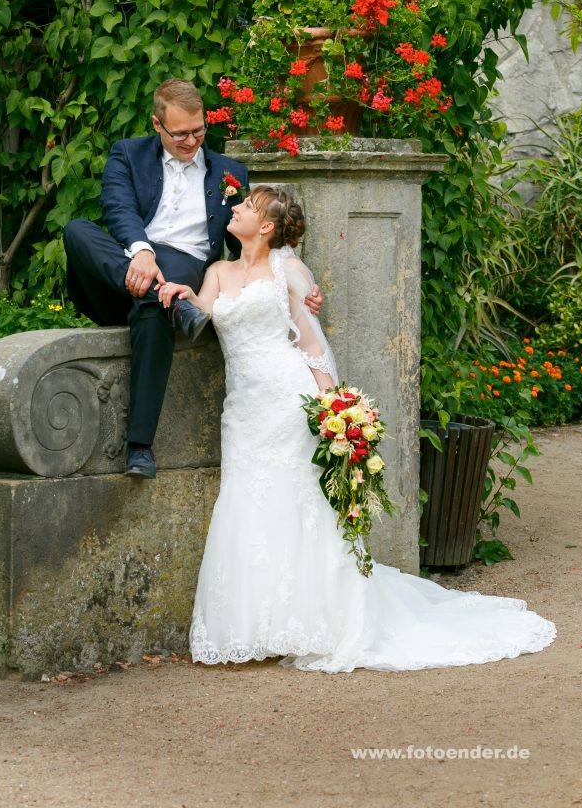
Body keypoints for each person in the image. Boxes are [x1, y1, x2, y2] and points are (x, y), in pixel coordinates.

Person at [159, 186, 557, 673]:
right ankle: (254, 628)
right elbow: (198, 313)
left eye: (245, 206)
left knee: (297, 500)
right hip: (243, 407)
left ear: (265, 226)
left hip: (287, 398)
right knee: (247, 499)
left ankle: (314, 622)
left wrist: (336, 408)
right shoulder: (217, 273)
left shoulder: (288, 271)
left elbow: (310, 343)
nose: (234, 209)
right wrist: (177, 291)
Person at [64, 79, 320, 479]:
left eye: (199, 130)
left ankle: (140, 447)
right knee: (78, 230)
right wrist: (143, 252)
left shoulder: (230, 173)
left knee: (159, 301)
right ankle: (164, 295)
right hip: (130, 266)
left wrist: (296, 286)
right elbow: (117, 208)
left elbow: (256, 240)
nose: (191, 140)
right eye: (180, 133)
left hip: (186, 268)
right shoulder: (127, 155)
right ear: (157, 124)